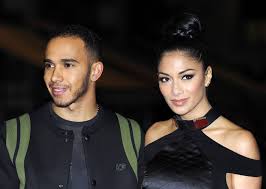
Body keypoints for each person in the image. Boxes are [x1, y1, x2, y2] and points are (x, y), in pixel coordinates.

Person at [0, 25, 143, 189]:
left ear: (95, 71)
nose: (54, 77)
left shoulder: (131, 134)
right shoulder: (12, 135)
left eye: (67, 65)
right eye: (49, 65)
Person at [142, 13, 262, 189]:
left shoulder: (239, 142)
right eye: (165, 79)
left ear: (207, 76)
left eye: (186, 77)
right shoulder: (155, 134)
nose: (175, 90)